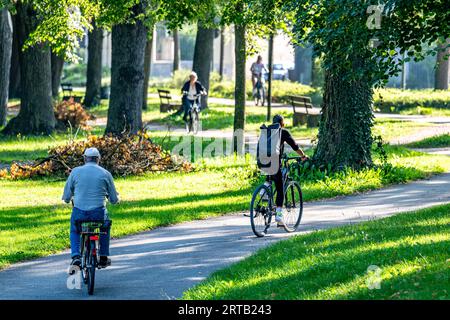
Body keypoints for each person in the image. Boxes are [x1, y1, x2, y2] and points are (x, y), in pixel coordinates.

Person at [62, 147, 119, 269]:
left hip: (79, 213)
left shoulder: (75, 172)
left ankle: (76, 256)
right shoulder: (105, 173)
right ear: (98, 159)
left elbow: (67, 196)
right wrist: (113, 200)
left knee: (75, 229)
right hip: (98, 213)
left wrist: (68, 199)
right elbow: (114, 199)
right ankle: (103, 255)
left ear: (85, 158)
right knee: (104, 227)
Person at [263, 114, 308, 226]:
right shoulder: (283, 132)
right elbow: (295, 146)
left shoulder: (266, 131)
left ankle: (264, 189)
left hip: (262, 162)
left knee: (270, 175)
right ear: (282, 124)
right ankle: (278, 215)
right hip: (274, 164)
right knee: (280, 188)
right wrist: (303, 156)